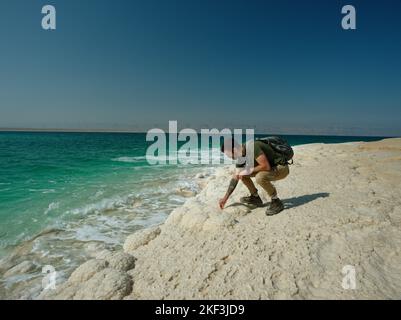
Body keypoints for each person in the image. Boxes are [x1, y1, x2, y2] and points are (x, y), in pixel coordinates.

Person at [219, 138, 290, 215]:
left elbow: (266, 166)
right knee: (241, 174)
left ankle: (276, 201)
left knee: (259, 177)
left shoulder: (253, 147)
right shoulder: (241, 156)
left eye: (228, 154)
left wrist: (248, 170)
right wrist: (225, 198)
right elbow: (236, 176)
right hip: (270, 168)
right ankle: (255, 197)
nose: (229, 157)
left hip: (281, 168)